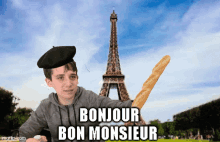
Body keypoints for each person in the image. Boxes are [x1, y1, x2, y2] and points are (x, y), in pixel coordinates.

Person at [19, 46, 134, 142]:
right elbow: (22, 135)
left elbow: (122, 108)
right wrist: (40, 138)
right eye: (60, 78)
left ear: (77, 78)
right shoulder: (45, 107)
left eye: (72, 76)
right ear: (49, 82)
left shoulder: (90, 99)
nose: (68, 83)